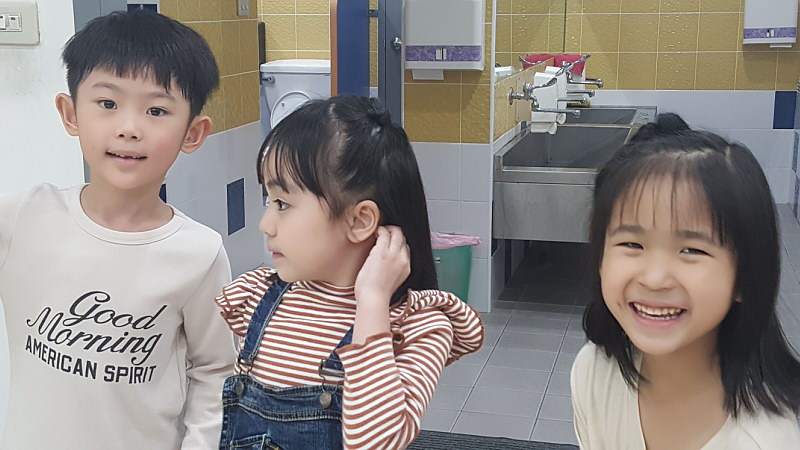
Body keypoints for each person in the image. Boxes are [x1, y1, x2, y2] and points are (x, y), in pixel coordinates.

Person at [0, 10, 235, 449]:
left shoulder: (199, 253)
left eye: (157, 110)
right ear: (70, 113)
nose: (129, 129)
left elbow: (215, 369)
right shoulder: (21, 218)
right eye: (107, 104)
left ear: (193, 133)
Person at [215, 96, 484, 450]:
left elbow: (375, 443)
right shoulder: (255, 299)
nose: (265, 224)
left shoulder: (417, 327)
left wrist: (372, 301)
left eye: (283, 203)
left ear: (359, 221)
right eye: (268, 200)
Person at [570, 113, 800, 449]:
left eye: (691, 250)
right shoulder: (594, 374)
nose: (655, 278)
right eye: (632, 244)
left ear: (745, 276)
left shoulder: (769, 440)